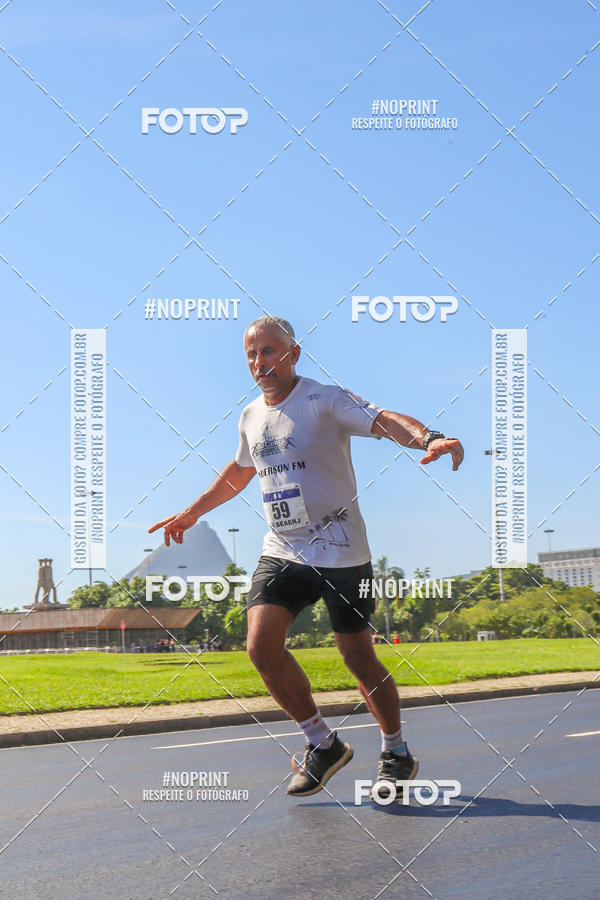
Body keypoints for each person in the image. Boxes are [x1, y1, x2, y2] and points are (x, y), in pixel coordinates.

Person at [149, 316, 463, 799]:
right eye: (252, 355)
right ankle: (322, 743)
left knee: (358, 657)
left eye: (269, 351)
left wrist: (428, 438)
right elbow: (240, 471)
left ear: (293, 354)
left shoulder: (326, 400)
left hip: (342, 552)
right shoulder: (251, 416)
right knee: (260, 646)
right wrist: (193, 512)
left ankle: (395, 751)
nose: (260, 362)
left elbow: (384, 420)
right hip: (284, 550)